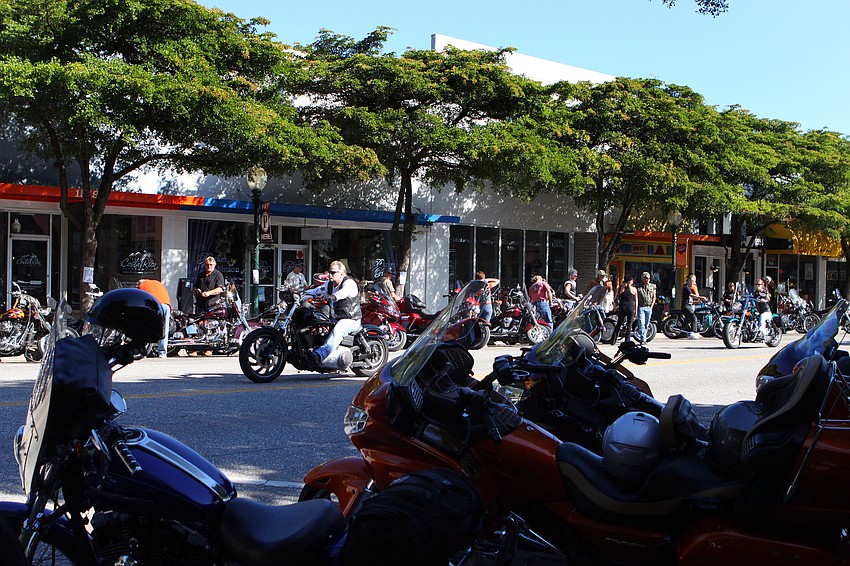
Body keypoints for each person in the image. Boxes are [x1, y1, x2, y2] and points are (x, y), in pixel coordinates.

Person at [309, 261, 363, 366]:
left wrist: (333, 297)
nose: (330, 275)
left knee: (338, 329)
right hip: (336, 317)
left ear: (342, 273)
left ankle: (320, 354)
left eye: (333, 272)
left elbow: (344, 292)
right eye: (330, 272)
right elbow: (317, 290)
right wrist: (301, 293)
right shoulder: (329, 284)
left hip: (351, 319)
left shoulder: (349, 283)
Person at [193, 256, 225, 356]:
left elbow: (220, 289)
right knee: (199, 326)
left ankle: (209, 349)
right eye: (207, 265)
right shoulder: (201, 275)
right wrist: (197, 291)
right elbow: (196, 287)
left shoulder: (218, 275)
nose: (209, 267)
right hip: (201, 304)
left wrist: (209, 293)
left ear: (214, 265)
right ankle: (197, 347)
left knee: (210, 327)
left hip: (213, 305)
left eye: (211, 265)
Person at [138, 278, 171, 358]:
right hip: (166, 305)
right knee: (164, 328)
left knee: (147, 326)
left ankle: (144, 350)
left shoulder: (142, 285)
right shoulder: (158, 283)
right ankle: (162, 352)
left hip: (155, 304)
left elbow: (139, 298)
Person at [609, 275, 638, 344]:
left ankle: (613, 340)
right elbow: (636, 300)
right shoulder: (634, 289)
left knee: (619, 323)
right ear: (630, 281)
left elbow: (615, 298)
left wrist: (614, 307)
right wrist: (636, 310)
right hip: (630, 307)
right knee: (629, 325)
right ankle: (627, 341)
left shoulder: (620, 288)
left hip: (622, 307)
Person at [681, 273, 708, 340]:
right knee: (693, 317)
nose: (694, 283)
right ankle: (693, 332)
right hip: (686, 305)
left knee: (689, 319)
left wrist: (697, 302)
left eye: (694, 281)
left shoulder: (689, 287)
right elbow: (692, 296)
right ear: (689, 280)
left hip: (689, 304)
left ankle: (688, 332)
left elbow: (691, 300)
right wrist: (702, 297)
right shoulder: (686, 287)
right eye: (693, 281)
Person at [636, 272, 656, 345]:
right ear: (642, 278)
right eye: (646, 278)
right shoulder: (638, 286)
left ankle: (644, 337)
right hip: (641, 307)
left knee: (647, 324)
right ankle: (643, 339)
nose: (647, 280)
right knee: (641, 324)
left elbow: (654, 297)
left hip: (648, 307)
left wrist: (651, 306)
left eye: (648, 278)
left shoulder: (652, 286)